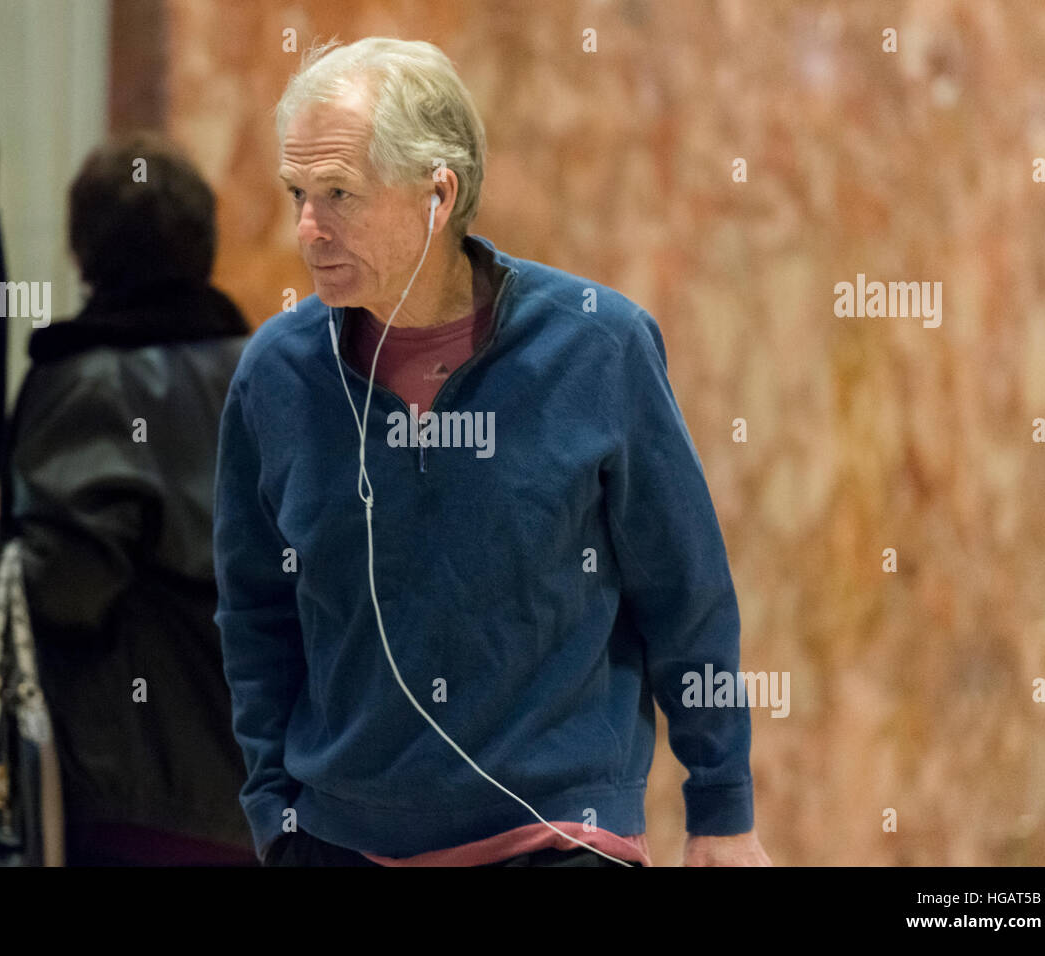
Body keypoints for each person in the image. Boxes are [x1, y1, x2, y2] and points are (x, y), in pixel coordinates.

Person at [214, 38, 771, 867]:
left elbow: (685, 592)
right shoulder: (277, 375)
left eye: (339, 194)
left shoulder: (597, 345)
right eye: (298, 192)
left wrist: (722, 808)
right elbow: (254, 616)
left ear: (439, 194)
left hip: (558, 836)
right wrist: (275, 813)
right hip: (339, 843)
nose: (307, 229)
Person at [0, 133, 256, 865]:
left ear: (85, 255)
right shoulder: (267, 376)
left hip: (134, 792)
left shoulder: (93, 384)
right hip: (259, 792)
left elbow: (68, 583)